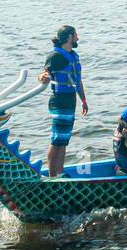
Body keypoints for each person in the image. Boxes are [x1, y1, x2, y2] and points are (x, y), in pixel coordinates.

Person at [38, 24, 89, 177]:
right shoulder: (56, 56)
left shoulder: (73, 55)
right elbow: (44, 73)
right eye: (75, 35)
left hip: (70, 100)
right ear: (69, 37)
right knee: (57, 140)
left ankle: (60, 172)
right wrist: (43, 78)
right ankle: (53, 175)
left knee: (64, 139)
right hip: (59, 101)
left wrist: (84, 100)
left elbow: (77, 81)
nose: (78, 38)